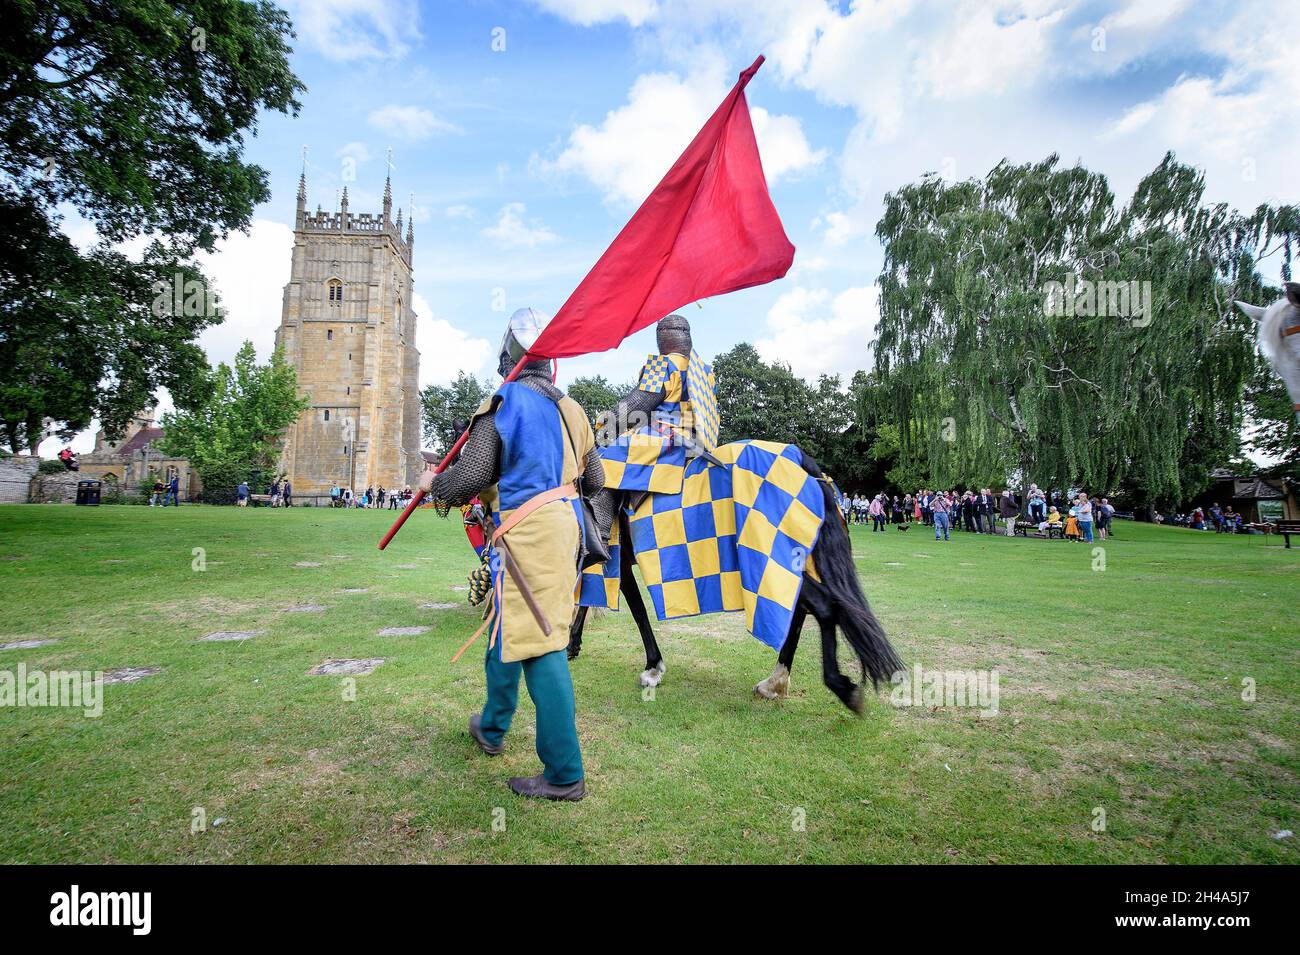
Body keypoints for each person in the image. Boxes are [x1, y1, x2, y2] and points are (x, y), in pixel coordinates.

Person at [422, 307, 598, 801]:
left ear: (509, 354)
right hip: (561, 529)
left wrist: (433, 483)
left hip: (529, 531)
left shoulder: (505, 403)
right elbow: (597, 480)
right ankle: (493, 726)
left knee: (541, 639)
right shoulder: (573, 409)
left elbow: (472, 476)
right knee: (507, 620)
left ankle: (564, 773)